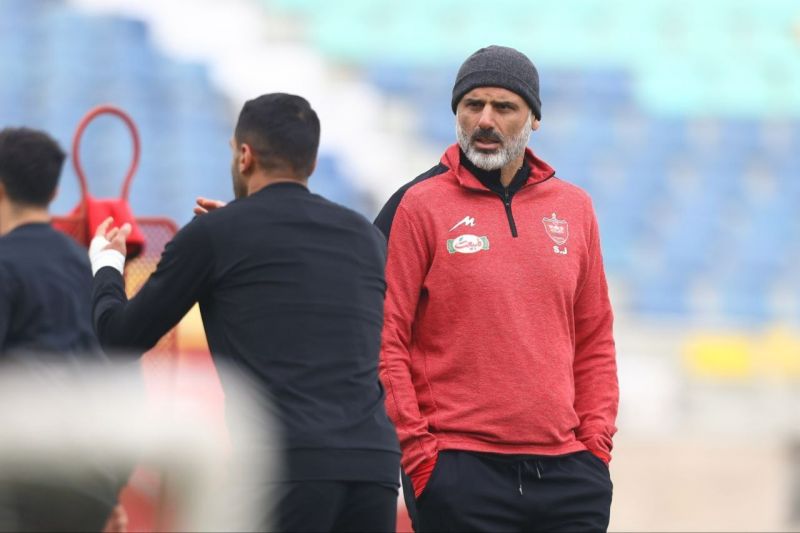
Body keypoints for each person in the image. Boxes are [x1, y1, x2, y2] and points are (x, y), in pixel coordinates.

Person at [89, 93, 401, 532]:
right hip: (374, 468)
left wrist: (107, 264)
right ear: (311, 162)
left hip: (285, 466)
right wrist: (232, 233)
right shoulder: (364, 236)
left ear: (244, 155)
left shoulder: (214, 236)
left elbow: (119, 339)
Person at [374, 45, 619, 532]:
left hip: (568, 472)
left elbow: (595, 340)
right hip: (458, 469)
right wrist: (420, 457)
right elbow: (386, 337)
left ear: (534, 119)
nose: (485, 120)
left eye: (504, 107)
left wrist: (595, 451)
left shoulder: (574, 208)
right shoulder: (418, 206)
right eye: (473, 105)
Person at [0, 127, 127, 532]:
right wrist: (112, 492)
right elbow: (121, 377)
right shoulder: (89, 269)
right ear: (55, 193)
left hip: (20, 474)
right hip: (90, 482)